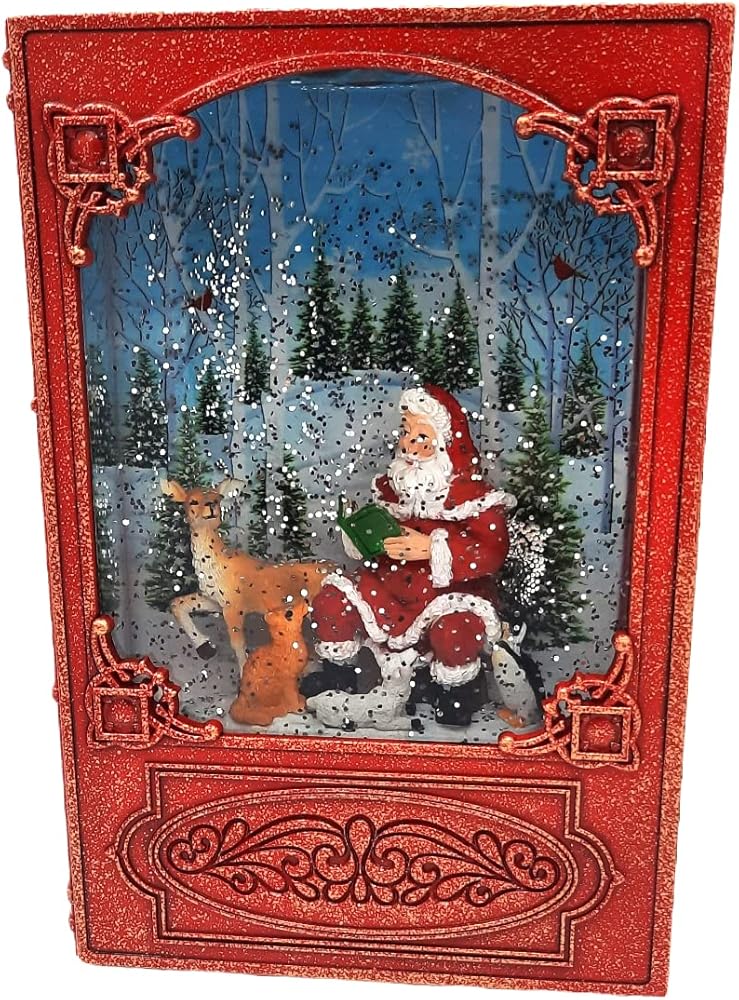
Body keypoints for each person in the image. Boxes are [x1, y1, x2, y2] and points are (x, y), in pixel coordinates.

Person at [307, 384, 531, 727]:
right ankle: (339, 677)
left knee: (454, 630)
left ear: (445, 443)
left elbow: (490, 551)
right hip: (386, 585)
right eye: (406, 432)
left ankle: (456, 694)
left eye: (422, 437)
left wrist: (431, 548)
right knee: (332, 601)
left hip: (445, 593)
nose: (409, 445)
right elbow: (377, 534)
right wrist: (360, 535)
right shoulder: (393, 488)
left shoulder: (474, 498)